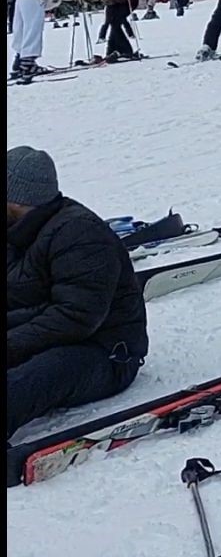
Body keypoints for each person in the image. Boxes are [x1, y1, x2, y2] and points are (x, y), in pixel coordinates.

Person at [7, 146, 148, 439]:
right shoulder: (17, 229)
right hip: (47, 331)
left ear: (16, 199)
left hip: (105, 352)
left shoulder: (80, 235)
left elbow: (75, 317)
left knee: (31, 379)